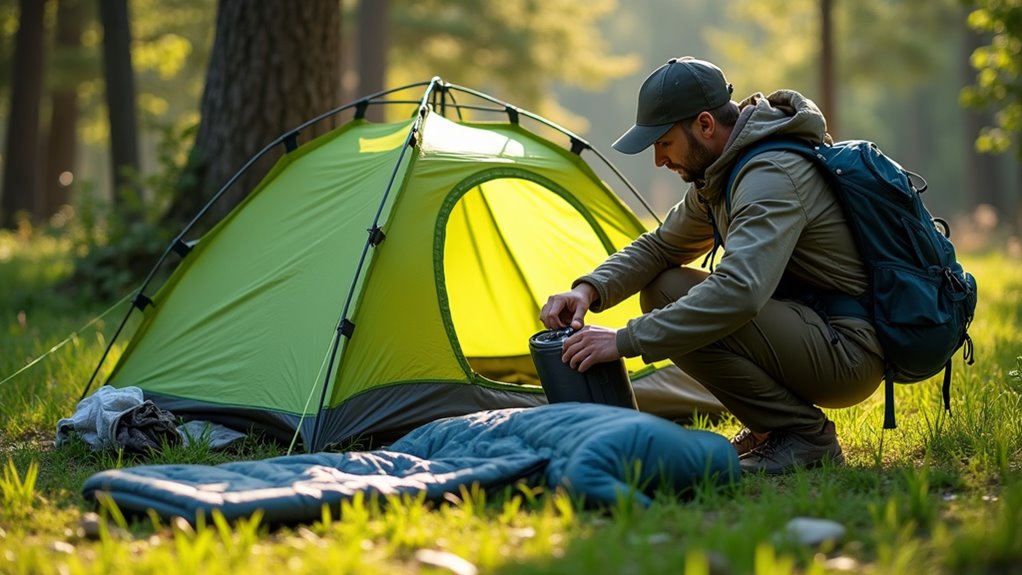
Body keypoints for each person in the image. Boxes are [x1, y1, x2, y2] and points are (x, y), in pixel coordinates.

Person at [539, 57, 885, 475]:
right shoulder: (723, 172)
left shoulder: (768, 174)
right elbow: (661, 247)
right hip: (813, 329)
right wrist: (588, 290)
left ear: (705, 125)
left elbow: (739, 292)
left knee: (670, 295)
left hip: (846, 350)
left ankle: (803, 436)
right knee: (664, 284)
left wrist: (625, 341)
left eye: (663, 143)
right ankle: (769, 429)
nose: (658, 161)